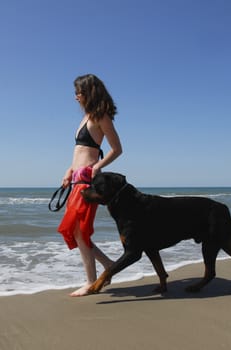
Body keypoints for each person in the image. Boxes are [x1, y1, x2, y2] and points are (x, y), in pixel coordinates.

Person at [58, 74, 122, 296]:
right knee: (77, 232)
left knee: (80, 232)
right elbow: (80, 152)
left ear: (89, 92)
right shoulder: (85, 118)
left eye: (79, 92)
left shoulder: (100, 116)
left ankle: (91, 282)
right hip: (76, 179)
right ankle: (108, 266)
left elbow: (117, 149)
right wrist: (69, 171)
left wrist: (96, 167)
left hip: (88, 181)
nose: (76, 96)